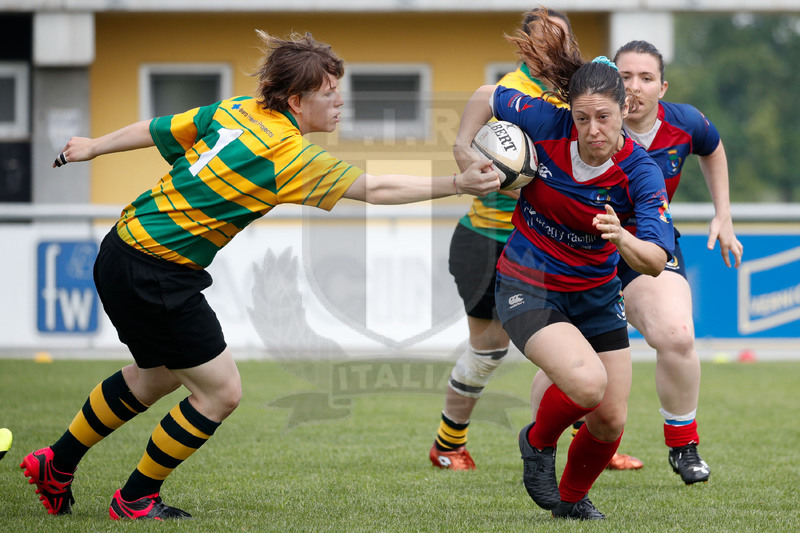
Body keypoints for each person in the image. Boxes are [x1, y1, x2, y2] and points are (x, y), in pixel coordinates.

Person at [20, 31, 500, 521]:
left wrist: (96, 146)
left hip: (123, 247)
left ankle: (55, 463)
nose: (340, 102)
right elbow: (374, 187)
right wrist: (457, 183)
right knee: (220, 393)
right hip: (156, 269)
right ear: (296, 100)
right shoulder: (286, 153)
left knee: (156, 376)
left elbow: (156, 127)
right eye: (329, 94)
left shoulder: (236, 109)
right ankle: (135, 499)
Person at [453, 10, 675, 520]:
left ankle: (570, 502)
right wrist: (462, 148)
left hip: (596, 293)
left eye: (604, 117)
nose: (592, 130)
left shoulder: (640, 172)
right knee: (587, 385)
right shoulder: (544, 121)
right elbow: (486, 95)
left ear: (624, 111)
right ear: (568, 112)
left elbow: (658, 261)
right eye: (582, 118)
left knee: (610, 421)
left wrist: (622, 238)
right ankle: (536, 443)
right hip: (528, 282)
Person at [529, 40, 743, 485]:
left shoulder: (683, 124)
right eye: (625, 76)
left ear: (662, 87)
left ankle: (683, 444)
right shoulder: (579, 119)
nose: (634, 87)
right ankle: (545, 448)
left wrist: (722, 213)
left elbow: (715, 147)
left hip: (644, 247)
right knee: (572, 366)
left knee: (678, 333)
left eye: (646, 78)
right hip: (578, 251)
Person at [429, 7, 583, 472]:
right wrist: (463, 152)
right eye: (543, 37)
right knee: (489, 351)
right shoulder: (511, 92)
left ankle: (596, 440)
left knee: (584, 342)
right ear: (525, 43)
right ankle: (447, 445)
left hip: (556, 242)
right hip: (490, 240)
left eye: (563, 37)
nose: (555, 46)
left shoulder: (578, 88)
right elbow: (473, 120)